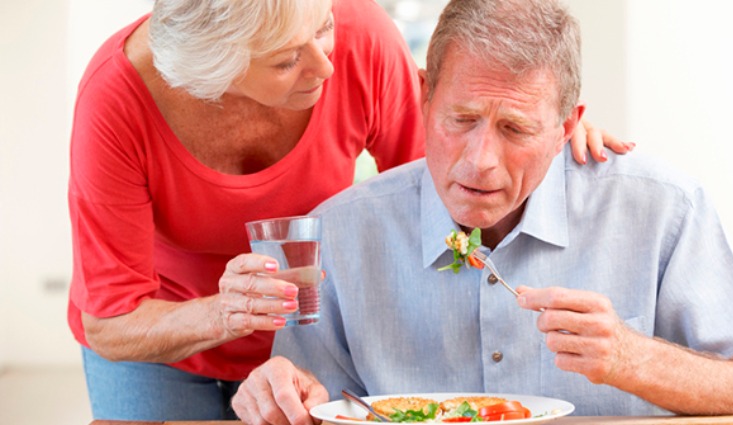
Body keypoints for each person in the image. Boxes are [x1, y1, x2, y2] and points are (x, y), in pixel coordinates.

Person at [67, 0, 628, 420]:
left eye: (322, 27)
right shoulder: (117, 100)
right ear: (219, 77)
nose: (326, 67)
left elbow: (444, 189)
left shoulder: (360, 40)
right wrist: (223, 314)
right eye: (288, 60)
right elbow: (110, 322)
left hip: (314, 338)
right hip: (164, 339)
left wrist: (548, 136)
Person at [231, 0, 733, 422]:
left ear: (566, 127)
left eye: (516, 129)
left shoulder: (662, 209)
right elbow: (316, 399)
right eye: (461, 119)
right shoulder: (342, 231)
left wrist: (634, 359)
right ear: (423, 97)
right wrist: (282, 398)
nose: (481, 162)